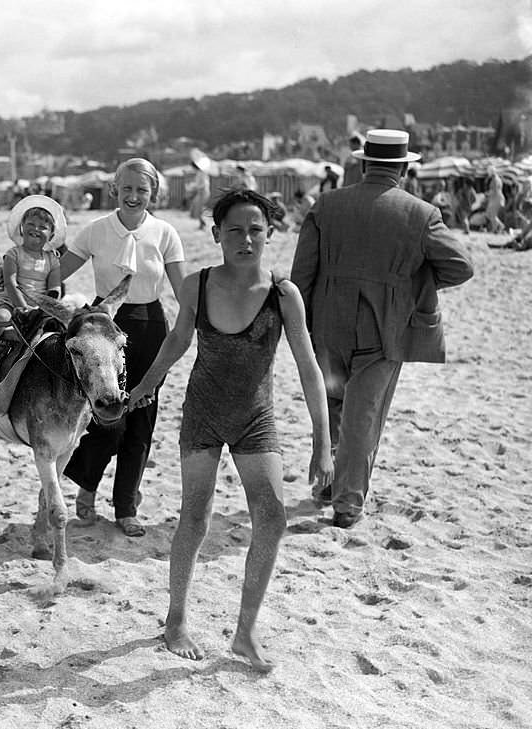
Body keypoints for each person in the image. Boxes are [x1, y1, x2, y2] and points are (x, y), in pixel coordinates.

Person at [127, 188, 333, 672]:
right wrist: (140, 389)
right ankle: (176, 621)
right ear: (217, 234)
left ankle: (245, 632)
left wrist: (323, 444)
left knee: (274, 516)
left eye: (256, 230)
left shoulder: (284, 295)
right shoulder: (197, 285)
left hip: (256, 418)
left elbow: (308, 368)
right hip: (203, 412)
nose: (246, 239)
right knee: (194, 517)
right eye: (235, 230)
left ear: (270, 234)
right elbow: (177, 342)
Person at [291, 129, 474, 528]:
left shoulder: (327, 204)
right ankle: (347, 504)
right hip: (384, 326)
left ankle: (325, 486)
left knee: (332, 405)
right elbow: (462, 265)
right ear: (404, 169)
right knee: (364, 415)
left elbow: (301, 272)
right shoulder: (421, 214)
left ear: (363, 163)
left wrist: (301, 322)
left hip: (327, 320)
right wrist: (412, 284)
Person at [58, 158, 186, 537]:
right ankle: (88, 483)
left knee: (142, 418)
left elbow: (184, 291)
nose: (133, 196)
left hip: (151, 327)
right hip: (103, 327)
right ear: (114, 189)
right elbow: (57, 272)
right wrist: (17, 269)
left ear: (153, 194)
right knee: (107, 416)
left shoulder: (165, 233)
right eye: (126, 188)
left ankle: (126, 506)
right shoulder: (96, 230)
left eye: (142, 190)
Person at [0, 195, 64, 374]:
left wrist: (50, 302)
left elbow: (55, 287)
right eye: (31, 224)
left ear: (51, 234)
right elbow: (10, 282)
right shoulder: (13, 254)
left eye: (43, 227)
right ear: (22, 228)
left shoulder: (52, 260)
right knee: (1, 317)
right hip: (11, 299)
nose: (36, 229)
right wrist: (22, 308)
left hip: (39, 303)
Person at [484, 169, 506, 234]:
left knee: (492, 215)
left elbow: (495, 191)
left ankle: (498, 228)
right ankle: (498, 227)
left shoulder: (495, 180)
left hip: (496, 198)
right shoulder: (496, 179)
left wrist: (487, 194)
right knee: (489, 214)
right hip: (495, 198)